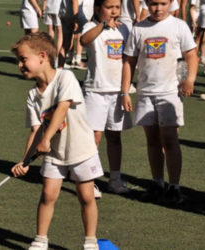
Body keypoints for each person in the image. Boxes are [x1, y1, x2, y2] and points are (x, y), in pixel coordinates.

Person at [11, 32, 103, 250]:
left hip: (81, 148)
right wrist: (25, 161)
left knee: (86, 196)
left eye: (23, 59)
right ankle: (41, 239)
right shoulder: (33, 95)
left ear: (42, 56)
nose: (20, 65)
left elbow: (63, 107)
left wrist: (47, 138)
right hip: (55, 153)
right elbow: (36, 130)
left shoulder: (65, 77)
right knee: (48, 194)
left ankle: (90, 241)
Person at [121, 0, 198, 204]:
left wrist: (189, 79)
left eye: (163, 3)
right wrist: (125, 91)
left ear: (171, 3)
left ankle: (174, 186)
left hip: (170, 93)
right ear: (147, 3)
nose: (158, 8)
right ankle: (157, 183)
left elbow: (191, 55)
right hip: (146, 92)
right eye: (153, 3)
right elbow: (129, 61)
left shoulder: (179, 26)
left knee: (170, 139)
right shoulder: (139, 28)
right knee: (152, 140)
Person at [80, 0, 133, 194]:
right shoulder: (91, 26)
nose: (113, 11)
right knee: (94, 137)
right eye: (108, 7)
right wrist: (102, 26)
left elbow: (129, 58)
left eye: (117, 7)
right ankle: (89, 179)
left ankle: (115, 178)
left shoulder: (124, 29)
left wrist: (126, 89)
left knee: (114, 136)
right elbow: (84, 40)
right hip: (95, 90)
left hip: (117, 92)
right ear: (97, 9)